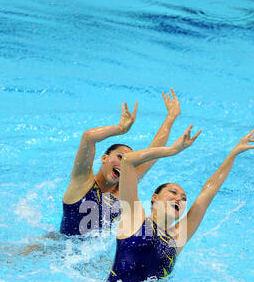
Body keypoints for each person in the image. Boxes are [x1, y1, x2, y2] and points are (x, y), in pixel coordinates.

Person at [107, 127, 254, 282]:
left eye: (183, 198)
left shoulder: (177, 238)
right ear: (155, 197)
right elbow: (128, 162)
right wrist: (172, 150)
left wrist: (234, 153)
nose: (179, 199)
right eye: (173, 192)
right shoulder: (135, 218)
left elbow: (208, 192)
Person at [60, 88, 182, 236]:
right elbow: (88, 137)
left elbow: (154, 152)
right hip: (58, 249)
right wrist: (120, 129)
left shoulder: (124, 189)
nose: (123, 164)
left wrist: (171, 117)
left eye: (127, 162)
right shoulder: (82, 181)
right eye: (120, 157)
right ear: (104, 158)